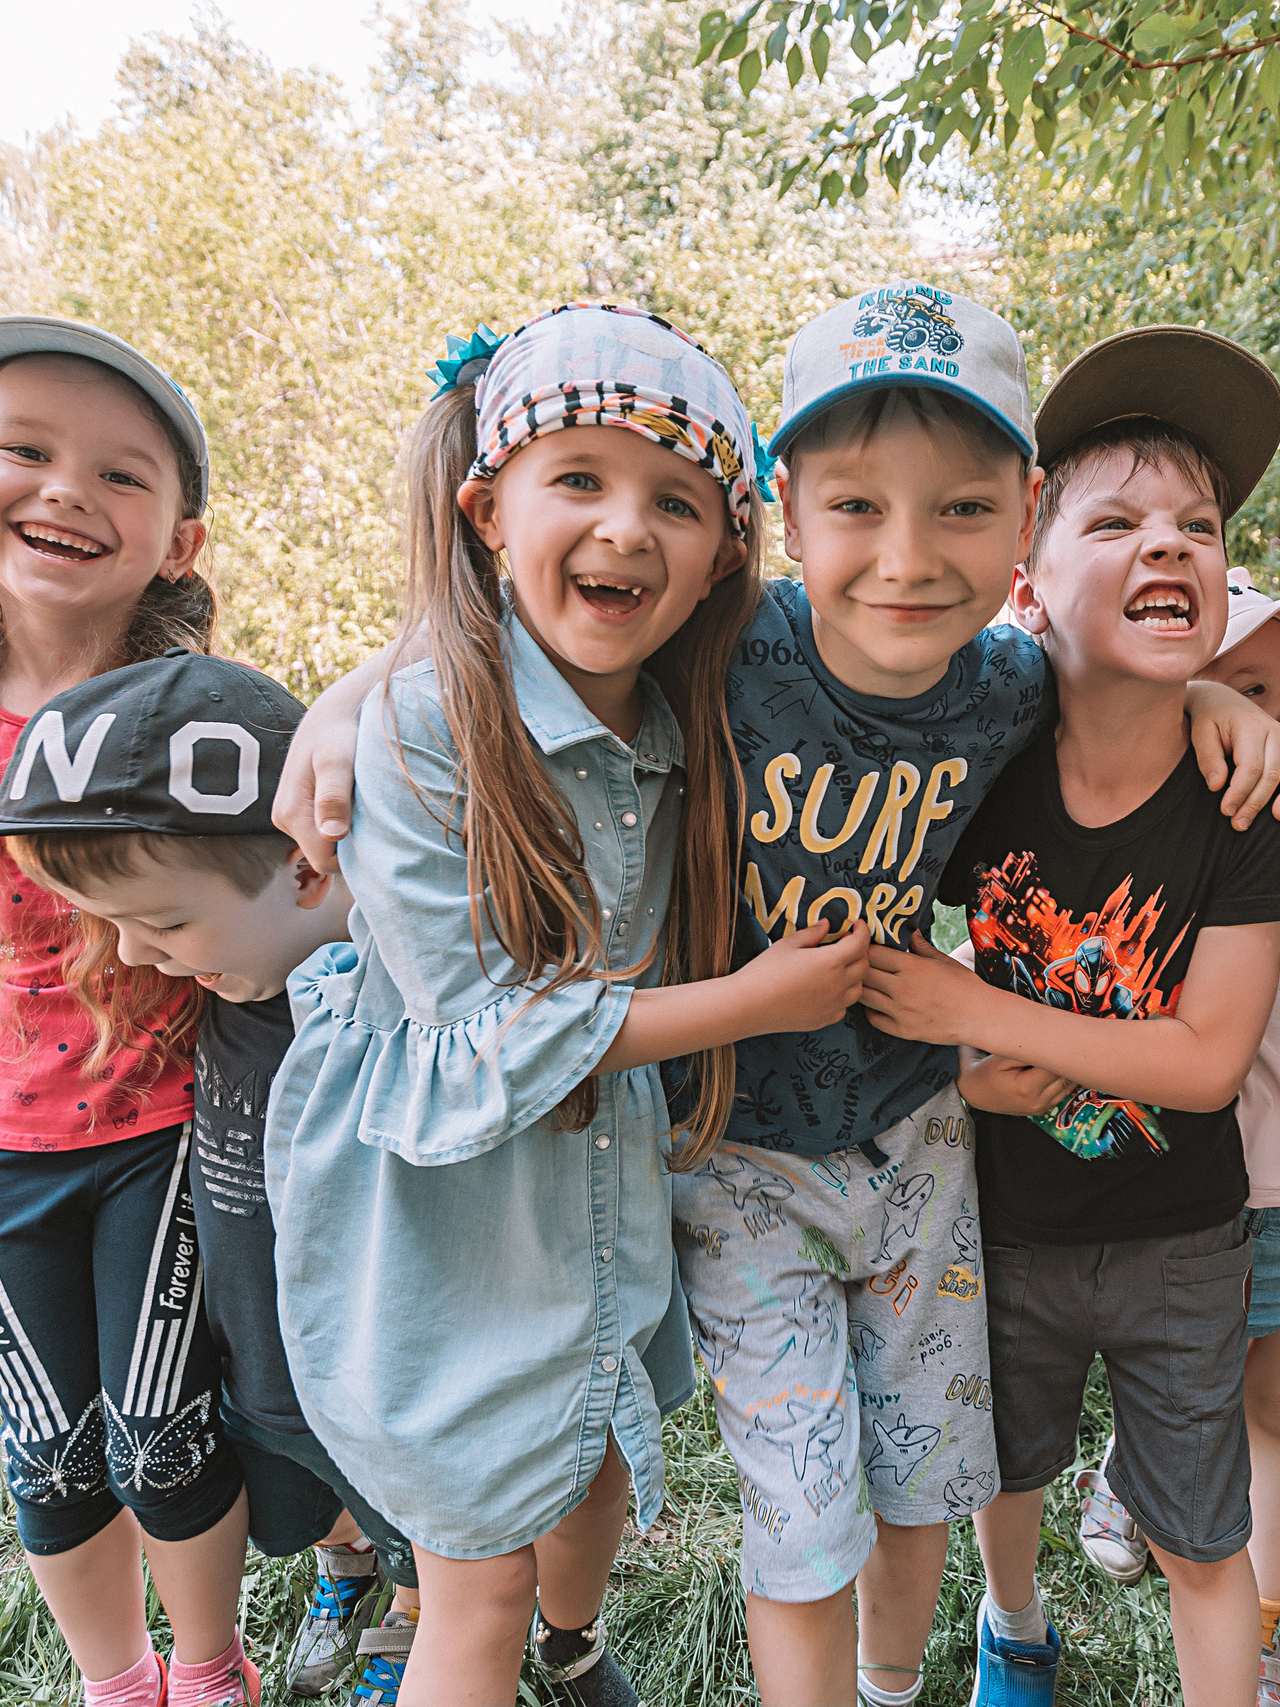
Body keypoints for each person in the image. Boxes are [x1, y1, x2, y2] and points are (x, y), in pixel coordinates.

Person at [269, 283, 1280, 1707]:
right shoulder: (723, 647)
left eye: (960, 511)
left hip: (918, 1141)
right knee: (804, 1510)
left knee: (920, 1486)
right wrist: (349, 697)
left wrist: (1221, 697)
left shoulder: (1002, 688)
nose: (907, 558)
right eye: (857, 509)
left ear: (1019, 519)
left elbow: (1111, 681)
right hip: (735, 1150)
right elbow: (504, 648)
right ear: (785, 509)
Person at [263, 303, 871, 1707]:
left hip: (593, 1192)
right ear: (485, 508)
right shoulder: (422, 723)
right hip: (453, 1215)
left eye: (677, 499)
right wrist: (751, 1001)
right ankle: (507, 1639)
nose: (628, 526)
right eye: (580, 480)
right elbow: (484, 1038)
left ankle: (575, 1643)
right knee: (470, 1576)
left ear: (726, 551)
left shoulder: (673, 712)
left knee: (596, 1441)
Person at [858, 326, 1280, 1707]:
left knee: (1200, 1519)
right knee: (1004, 1465)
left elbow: (1203, 1062)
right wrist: (957, 1050)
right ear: (1028, 583)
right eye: (1118, 521)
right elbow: (878, 925)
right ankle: (1014, 1627)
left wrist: (978, 1000)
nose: (1170, 546)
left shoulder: (1252, 798)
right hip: (1002, 1218)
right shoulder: (976, 767)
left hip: (1184, 1238)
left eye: (1199, 526)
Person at [0, 317, 260, 1707]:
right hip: (4, 1139)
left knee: (162, 1430)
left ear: (179, 542)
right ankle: (116, 1680)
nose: (69, 489)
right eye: (26, 450)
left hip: (168, 1127)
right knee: (51, 1446)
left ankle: (207, 1670)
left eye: (120, 474)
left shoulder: (191, 719)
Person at [0, 651, 420, 1706]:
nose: (137, 954)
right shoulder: (232, 968)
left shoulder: (389, 1002)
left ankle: (412, 1615)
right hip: (262, 1352)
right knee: (306, 1488)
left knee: (405, 1503)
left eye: (163, 926)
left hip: (382, 1359)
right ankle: (346, 1572)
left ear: (310, 865)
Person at [1068, 569, 1280, 1704]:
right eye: (1250, 684)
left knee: (1278, 1416)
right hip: (1227, 1215)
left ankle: (1252, 1647)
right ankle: (1133, 1472)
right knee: (1201, 1412)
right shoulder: (1181, 848)